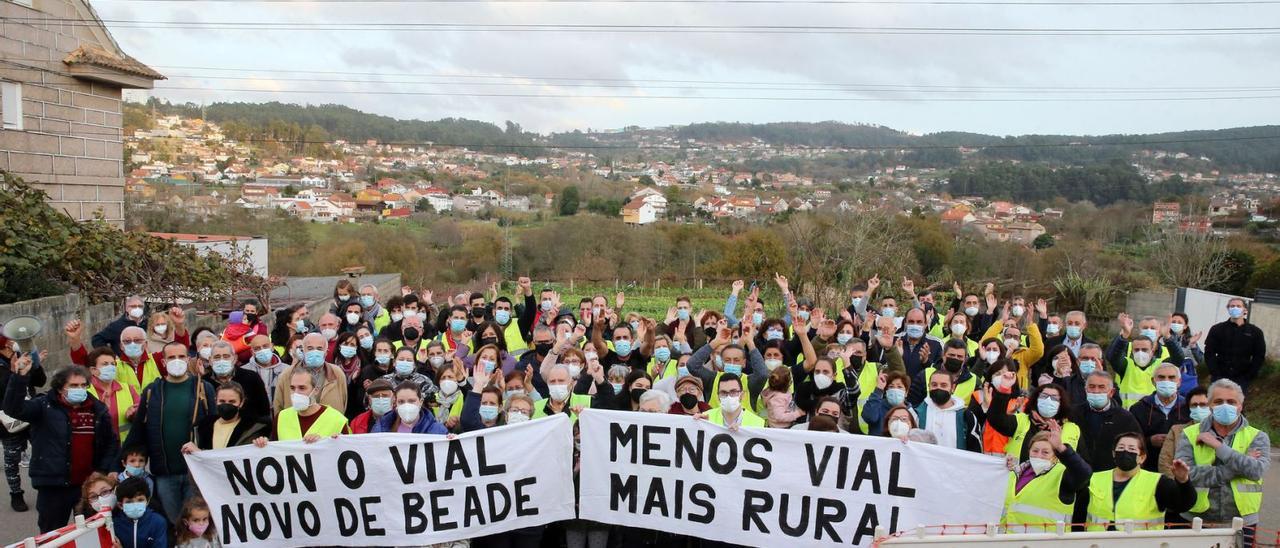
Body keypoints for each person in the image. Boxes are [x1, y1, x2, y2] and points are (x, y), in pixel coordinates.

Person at [5, 360, 117, 533]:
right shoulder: (43, 406)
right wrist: (20, 377)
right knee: (53, 535)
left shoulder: (97, 409)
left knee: (92, 534)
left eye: (82, 385)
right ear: (60, 387)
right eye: (73, 385)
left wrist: (101, 470)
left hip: (88, 486)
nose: (79, 389)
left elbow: (111, 443)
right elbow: (13, 409)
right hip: (53, 487)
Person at [122, 341, 215, 525]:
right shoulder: (152, 391)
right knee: (174, 524)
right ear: (163, 362)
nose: (177, 361)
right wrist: (116, 466)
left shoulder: (203, 388)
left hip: (195, 473)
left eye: (181, 357)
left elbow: (214, 428)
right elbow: (138, 431)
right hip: (165, 473)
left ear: (188, 359)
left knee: (197, 522)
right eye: (171, 357)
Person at [1176, 378, 1270, 540]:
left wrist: (1218, 446)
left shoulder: (1257, 436)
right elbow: (1188, 475)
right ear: (1210, 405)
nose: (1225, 405)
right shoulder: (1190, 434)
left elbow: (1256, 471)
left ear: (1240, 406)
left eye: (1231, 401)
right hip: (1196, 519)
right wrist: (1239, 465)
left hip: (1242, 521)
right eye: (1218, 401)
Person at [1082, 432, 1195, 531]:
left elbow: (1183, 505)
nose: (1125, 452)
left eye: (1131, 449)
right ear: (1113, 454)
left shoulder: (1158, 482)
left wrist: (1183, 481)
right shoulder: (1093, 479)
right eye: (1121, 448)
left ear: (1142, 457)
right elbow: (1079, 515)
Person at [1002, 426, 1092, 533]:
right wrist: (1002, 467)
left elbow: (1084, 473)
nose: (1039, 455)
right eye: (1035, 451)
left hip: (1047, 543)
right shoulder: (1015, 473)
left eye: (1045, 452)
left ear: (1055, 456)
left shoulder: (1062, 475)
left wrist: (1061, 447)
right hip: (1009, 542)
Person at [0, 334, 47, 511]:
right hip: (8, 420)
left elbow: (40, 381)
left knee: (42, 449)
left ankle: (44, 485)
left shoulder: (21, 355)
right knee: (12, 458)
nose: (14, 343)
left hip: (31, 413)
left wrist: (35, 364)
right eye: (9, 340)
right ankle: (16, 494)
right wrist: (15, 374)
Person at [987, 381, 1081, 462]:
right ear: (1036, 399)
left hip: (1056, 481)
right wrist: (1003, 392)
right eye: (1044, 396)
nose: (1048, 400)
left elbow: (1082, 463)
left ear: (1062, 403)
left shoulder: (1072, 429)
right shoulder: (1022, 420)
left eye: (1054, 398)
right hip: (1019, 478)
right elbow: (996, 419)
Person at [1129, 363, 1190, 472]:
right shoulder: (1138, 408)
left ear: (1179, 382)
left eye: (1171, 378)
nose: (1166, 381)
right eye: (1161, 377)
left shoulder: (1188, 408)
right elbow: (1131, 439)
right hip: (1148, 469)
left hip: (1182, 469)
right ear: (1153, 381)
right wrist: (1149, 441)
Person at [272, 333, 348, 415]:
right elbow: (278, 406)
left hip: (329, 425)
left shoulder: (337, 373)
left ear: (326, 352)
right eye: (310, 348)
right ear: (303, 350)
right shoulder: (287, 374)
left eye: (319, 349)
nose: (315, 352)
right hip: (296, 425)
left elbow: (344, 402)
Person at [183, 382, 270, 452]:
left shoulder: (254, 429)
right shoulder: (201, 427)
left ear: (242, 402)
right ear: (215, 401)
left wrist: (264, 443)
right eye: (222, 401)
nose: (226, 405)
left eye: (232, 401)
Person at [1204, 298, 1267, 394]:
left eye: (1238, 306)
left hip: (1242, 379)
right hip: (1219, 377)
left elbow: (1259, 356)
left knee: (1236, 406)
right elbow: (1209, 352)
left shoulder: (1255, 332)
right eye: (1232, 306)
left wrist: (1249, 375)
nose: (1235, 308)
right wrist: (1215, 372)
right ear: (1228, 309)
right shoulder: (1217, 329)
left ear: (1245, 310)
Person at [913, 370, 980, 452]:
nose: (938, 388)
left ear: (953, 388)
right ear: (929, 386)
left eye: (943, 385)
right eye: (934, 385)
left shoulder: (967, 417)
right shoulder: (916, 413)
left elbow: (976, 451)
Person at [203, 341, 270, 421]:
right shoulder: (204, 382)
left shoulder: (251, 378)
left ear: (234, 358)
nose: (222, 360)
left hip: (248, 430)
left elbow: (264, 410)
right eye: (217, 357)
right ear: (210, 360)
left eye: (226, 356)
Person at [112, 477, 168, 548]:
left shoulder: (158, 522)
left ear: (147, 501)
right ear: (120, 505)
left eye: (140, 500)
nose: (135, 505)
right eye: (129, 502)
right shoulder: (114, 524)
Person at [373, 381, 447, 434]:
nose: (406, 405)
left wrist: (451, 441)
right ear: (396, 403)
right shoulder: (382, 427)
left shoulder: (437, 430)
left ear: (420, 402)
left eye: (411, 401)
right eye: (401, 401)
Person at [241, 334, 286, 408]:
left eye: (265, 346)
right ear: (252, 352)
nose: (262, 350)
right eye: (257, 348)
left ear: (272, 347)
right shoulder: (244, 371)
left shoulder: (286, 370)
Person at [862, 371, 911, 437]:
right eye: (891, 386)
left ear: (906, 392)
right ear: (887, 391)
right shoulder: (878, 406)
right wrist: (879, 389)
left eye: (899, 387)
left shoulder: (911, 412)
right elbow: (869, 417)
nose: (895, 389)